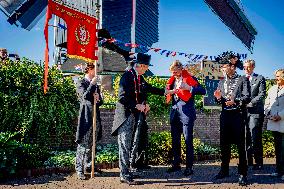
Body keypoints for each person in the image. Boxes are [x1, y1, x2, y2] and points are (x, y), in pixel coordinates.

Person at [111, 53, 165, 185]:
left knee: (130, 144)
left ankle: (127, 170)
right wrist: (137, 105)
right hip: (124, 116)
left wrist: (166, 92)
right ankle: (124, 174)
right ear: (141, 65)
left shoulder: (138, 77)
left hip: (133, 116)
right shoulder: (127, 76)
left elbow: (148, 89)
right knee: (124, 145)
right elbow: (121, 98)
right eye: (146, 67)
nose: (147, 69)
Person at [213, 56, 250, 186]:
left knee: (241, 146)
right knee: (224, 145)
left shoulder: (242, 79)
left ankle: (242, 174)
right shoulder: (221, 81)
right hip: (225, 116)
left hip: (238, 116)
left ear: (232, 67)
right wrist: (218, 98)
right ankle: (224, 170)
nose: (222, 68)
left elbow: (247, 97)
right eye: (222, 66)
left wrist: (236, 101)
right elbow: (220, 101)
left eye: (224, 66)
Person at [166, 60, 206, 176]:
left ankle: (189, 167)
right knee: (175, 141)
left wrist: (189, 88)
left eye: (175, 72)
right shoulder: (172, 80)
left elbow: (203, 90)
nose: (173, 74)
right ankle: (176, 165)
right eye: (171, 72)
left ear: (180, 69)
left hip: (187, 114)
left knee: (188, 141)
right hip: (174, 114)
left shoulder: (190, 78)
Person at [75, 63, 103, 180]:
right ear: (90, 69)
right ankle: (79, 169)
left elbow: (100, 102)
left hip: (95, 117)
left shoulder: (96, 85)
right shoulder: (81, 83)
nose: (98, 72)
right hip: (86, 117)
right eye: (96, 69)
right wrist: (92, 84)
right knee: (83, 143)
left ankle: (88, 165)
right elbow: (84, 97)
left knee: (92, 143)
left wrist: (99, 98)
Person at [243, 59, 266, 170]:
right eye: (244, 67)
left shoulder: (260, 78)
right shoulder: (241, 79)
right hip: (243, 113)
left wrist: (251, 102)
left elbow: (262, 94)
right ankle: (249, 162)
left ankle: (259, 162)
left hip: (255, 112)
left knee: (255, 137)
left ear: (253, 67)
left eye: (248, 67)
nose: (246, 69)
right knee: (246, 137)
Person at [264, 69, 284, 181]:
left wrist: (280, 115)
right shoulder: (272, 89)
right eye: (275, 76)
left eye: (278, 76)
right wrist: (267, 113)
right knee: (278, 148)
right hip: (273, 122)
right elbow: (267, 102)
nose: (276, 78)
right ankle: (279, 171)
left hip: (283, 121)